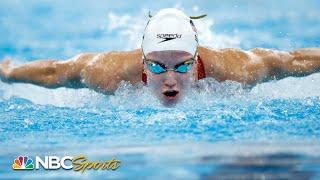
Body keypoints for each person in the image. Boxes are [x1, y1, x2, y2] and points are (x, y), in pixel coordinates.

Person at [0, 8, 319, 106]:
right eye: (156, 65)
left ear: (196, 61)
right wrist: (10, 72)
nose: (170, 78)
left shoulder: (235, 69)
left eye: (182, 65)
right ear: (142, 61)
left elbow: (290, 61)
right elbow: (57, 71)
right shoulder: (109, 73)